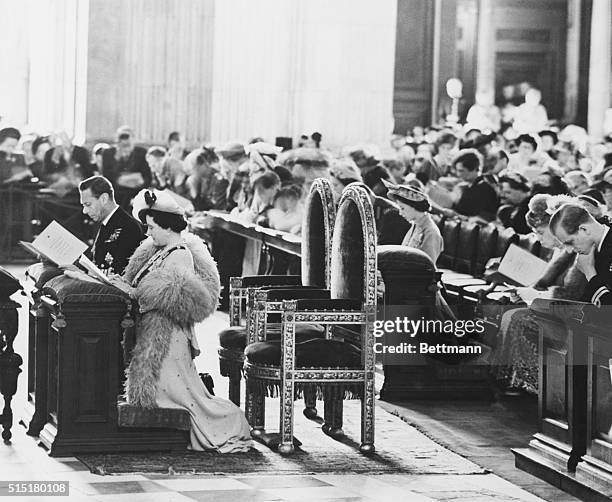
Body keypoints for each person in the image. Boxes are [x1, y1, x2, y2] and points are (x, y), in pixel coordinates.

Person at [108, 189, 252, 453]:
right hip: (155, 328)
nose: (148, 232)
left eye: (152, 227)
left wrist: (134, 292)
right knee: (171, 391)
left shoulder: (180, 253)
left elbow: (172, 297)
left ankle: (229, 422)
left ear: (166, 226)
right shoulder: (158, 251)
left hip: (169, 335)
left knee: (181, 395)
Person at [79, 176, 145, 274]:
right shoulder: (106, 221)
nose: (85, 211)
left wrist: (82, 274)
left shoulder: (128, 227)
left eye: (88, 204)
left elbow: (117, 274)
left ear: (104, 199)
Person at [550, 203, 612, 306]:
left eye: (570, 242)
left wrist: (590, 273)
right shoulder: (592, 250)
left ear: (584, 229)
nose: (570, 250)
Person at [383, 179, 443, 263]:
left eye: (402, 208)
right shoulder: (416, 225)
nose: (400, 213)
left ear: (414, 206)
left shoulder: (431, 232)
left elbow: (428, 266)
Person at [447, 149, 499, 223]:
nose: (458, 174)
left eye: (461, 171)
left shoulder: (486, 189)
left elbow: (485, 216)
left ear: (474, 169)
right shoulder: (465, 187)